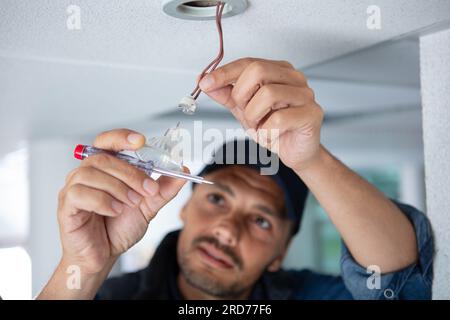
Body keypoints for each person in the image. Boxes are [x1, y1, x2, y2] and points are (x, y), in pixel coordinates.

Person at [38, 58, 432, 300]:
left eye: (261, 220)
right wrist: (86, 267)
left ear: (280, 252)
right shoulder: (104, 295)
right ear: (185, 207)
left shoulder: (310, 295)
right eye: (217, 199)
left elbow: (396, 284)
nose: (227, 230)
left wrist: (311, 160)